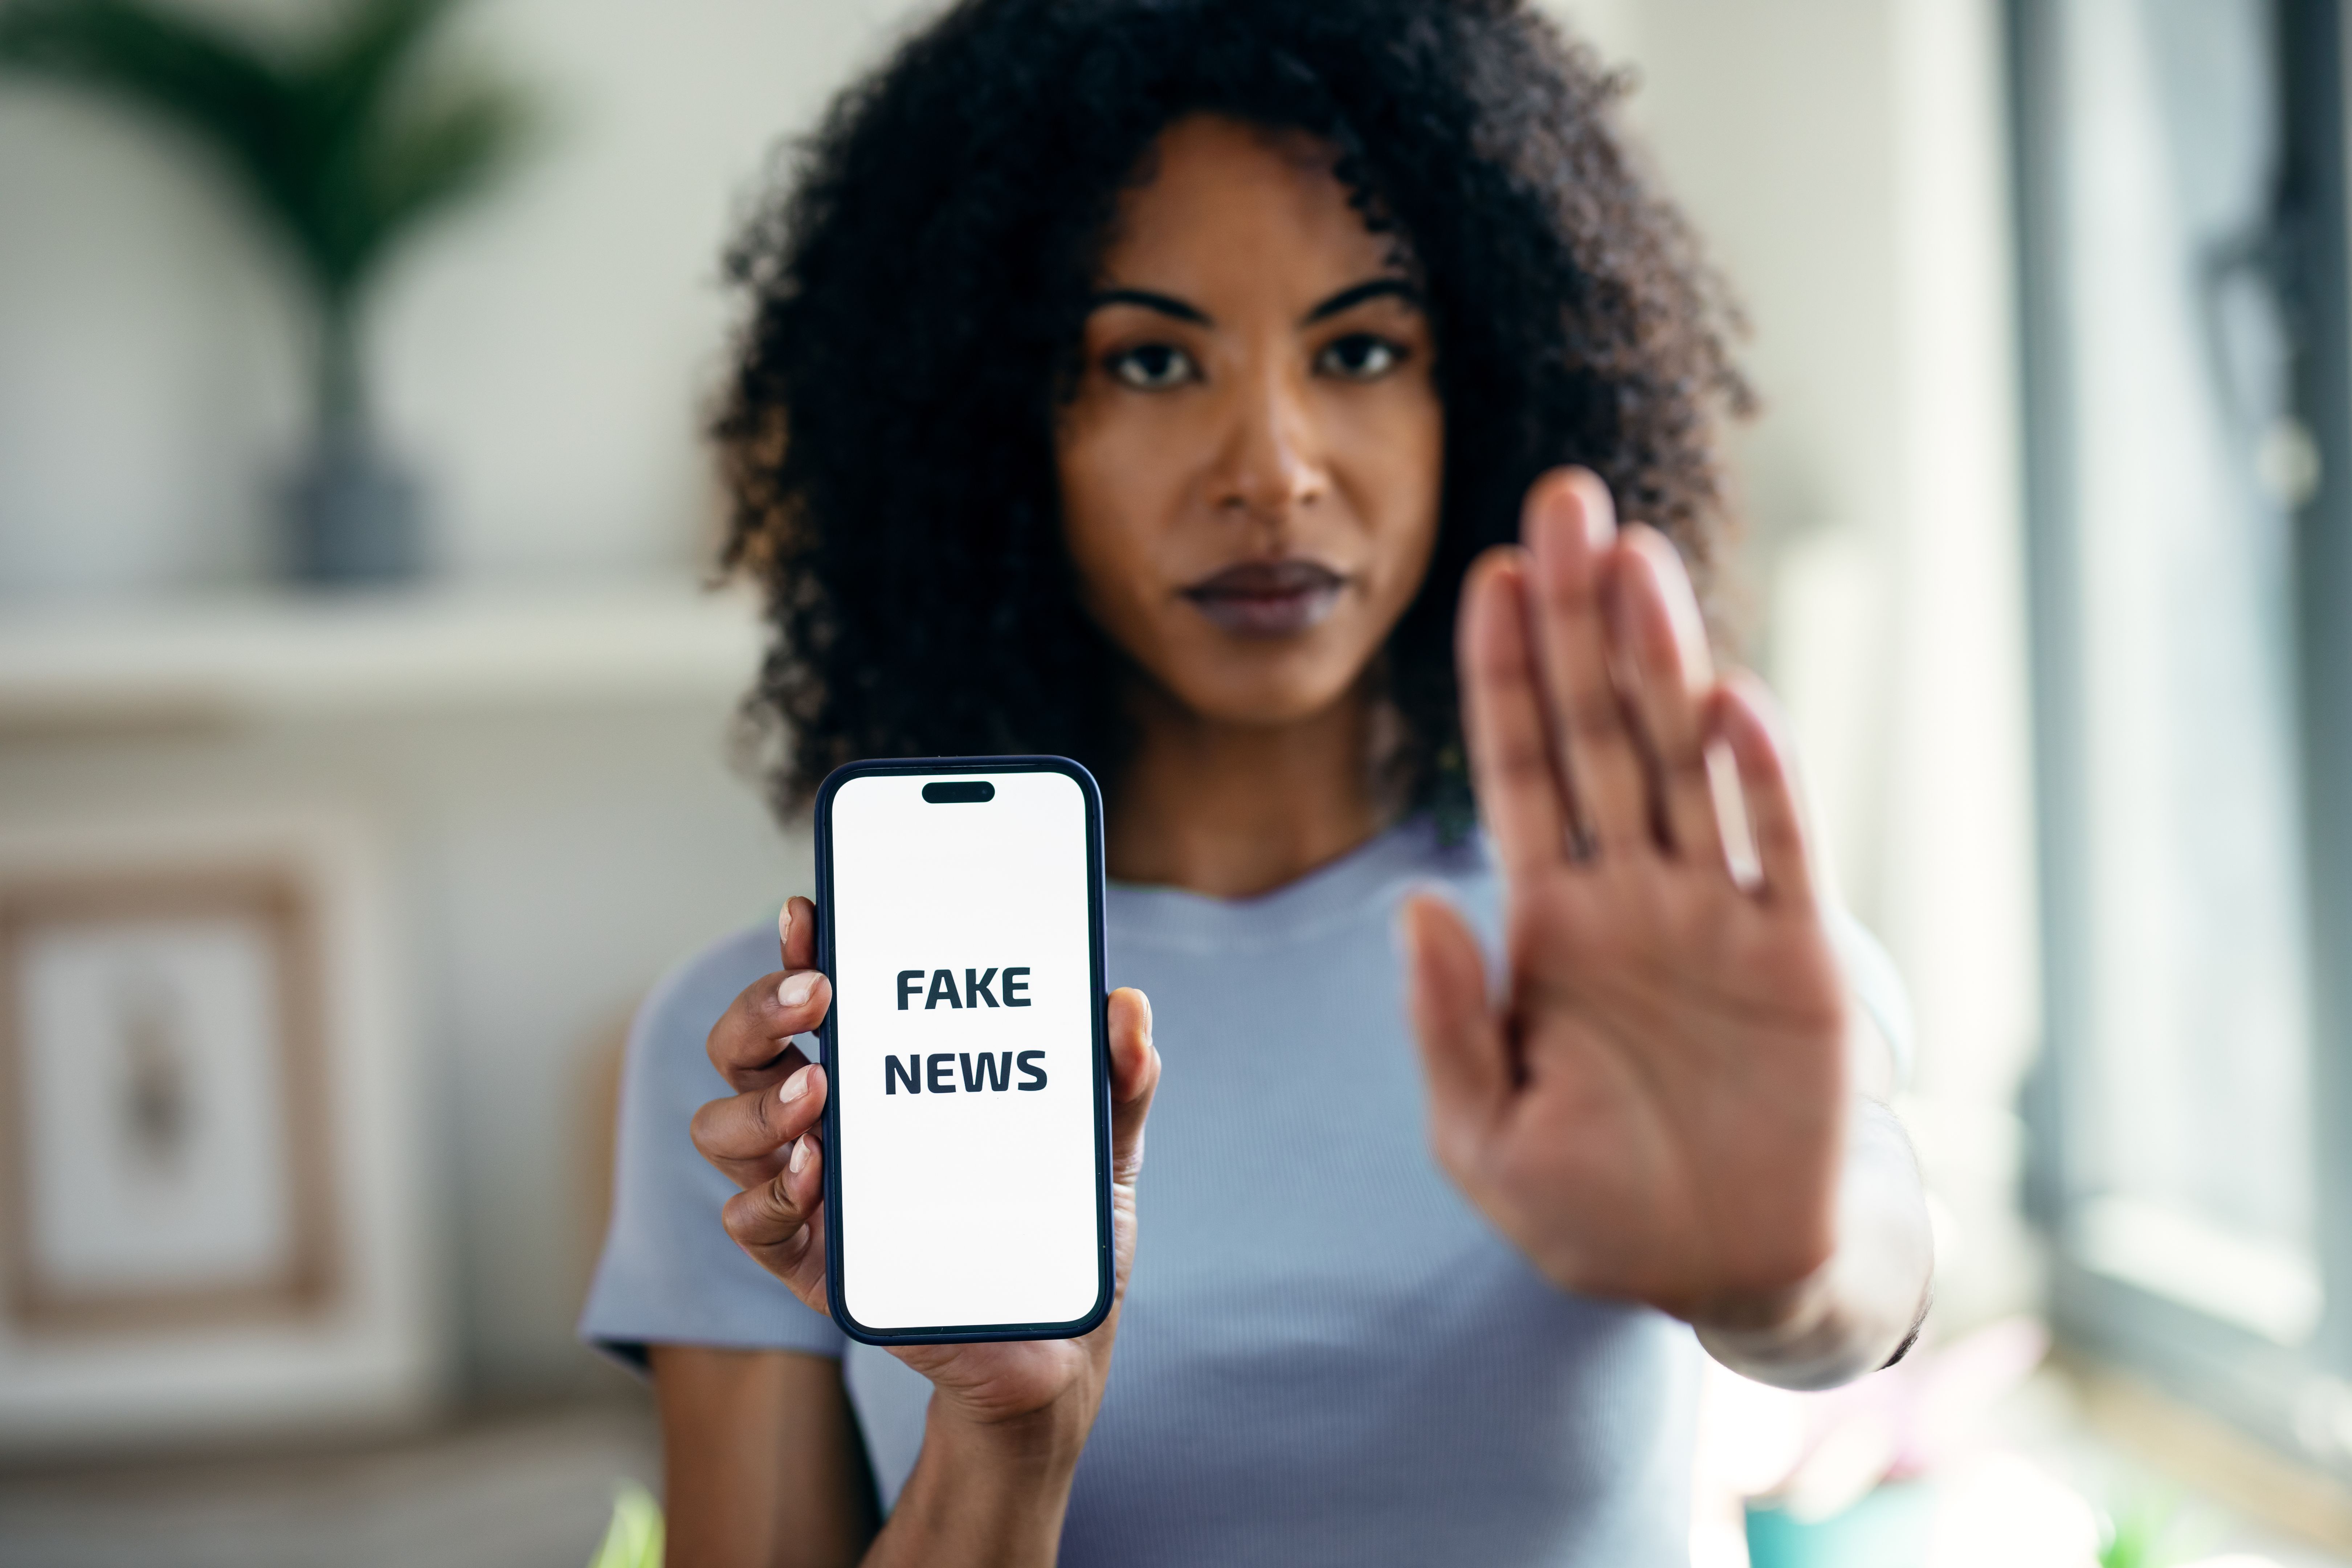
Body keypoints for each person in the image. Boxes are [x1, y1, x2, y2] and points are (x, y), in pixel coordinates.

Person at [581, 1, 1934, 1563]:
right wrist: (1008, 1438)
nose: (1274, 465)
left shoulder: (1650, 933)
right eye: (1152, 361)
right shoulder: (788, 1058)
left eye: (1360, 349)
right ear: (997, 428)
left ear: (1478, 391)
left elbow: (1875, 1242)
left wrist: (1782, 1271)